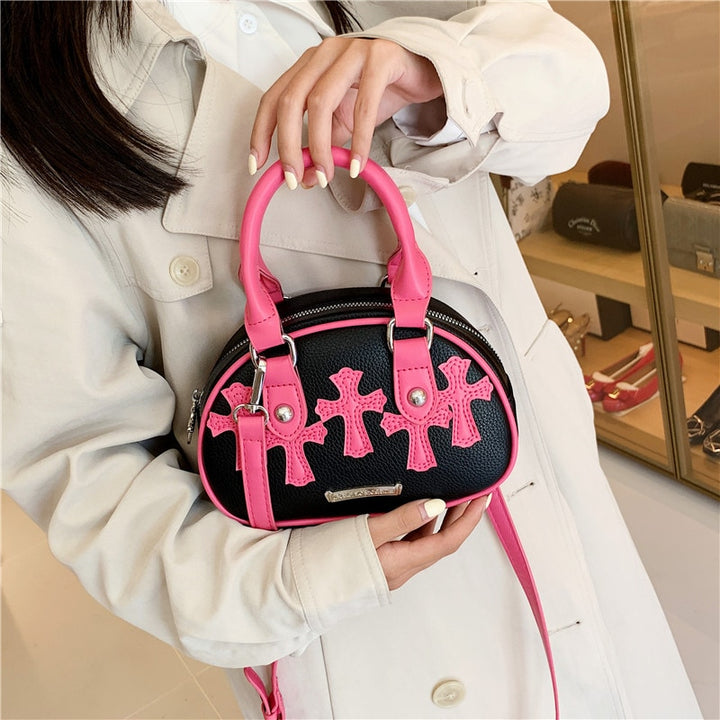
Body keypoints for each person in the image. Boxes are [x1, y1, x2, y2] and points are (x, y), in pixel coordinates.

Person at [1, 1, 702, 717]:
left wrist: (433, 68)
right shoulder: (31, 104)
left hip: (551, 495)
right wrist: (314, 579)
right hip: (362, 619)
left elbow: (570, 85)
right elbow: (84, 468)